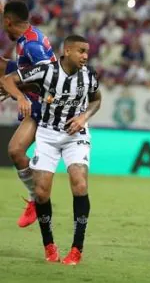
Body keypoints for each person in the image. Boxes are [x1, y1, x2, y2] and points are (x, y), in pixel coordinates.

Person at [0, 35, 101, 265]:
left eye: (87, 52)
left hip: (76, 135)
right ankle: (49, 246)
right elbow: (8, 80)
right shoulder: (46, 71)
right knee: (42, 192)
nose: (85, 56)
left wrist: (84, 116)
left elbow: (97, 100)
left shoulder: (89, 75)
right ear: (66, 51)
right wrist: (20, 98)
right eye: (81, 51)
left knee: (80, 183)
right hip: (47, 135)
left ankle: (77, 249)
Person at [0, 0, 56, 227]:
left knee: (15, 150)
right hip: (36, 97)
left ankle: (37, 199)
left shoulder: (31, 46)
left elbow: (49, 76)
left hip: (47, 104)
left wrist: (18, 91)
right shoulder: (28, 34)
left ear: (8, 22)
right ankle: (37, 196)